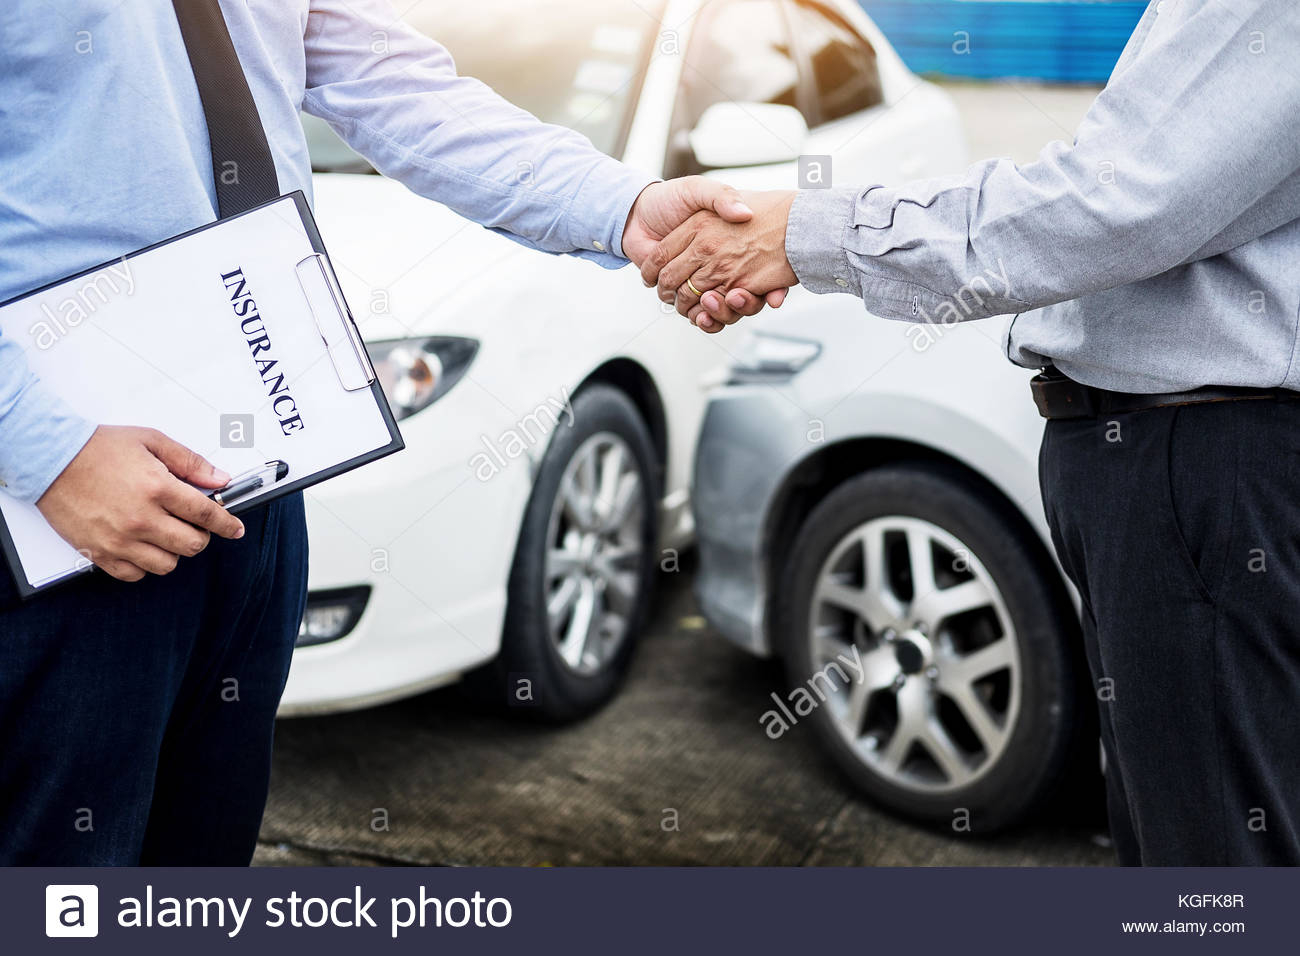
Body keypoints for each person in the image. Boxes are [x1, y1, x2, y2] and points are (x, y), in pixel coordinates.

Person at [0, 0, 780, 865]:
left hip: (260, 481)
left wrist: (623, 206)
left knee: (201, 860)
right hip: (60, 506)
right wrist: (42, 446)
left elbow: (387, 80)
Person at [644, 0, 1300, 865]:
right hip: (1194, 457)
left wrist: (804, 231)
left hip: (1204, 461)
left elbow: (1118, 202)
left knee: (1209, 867)